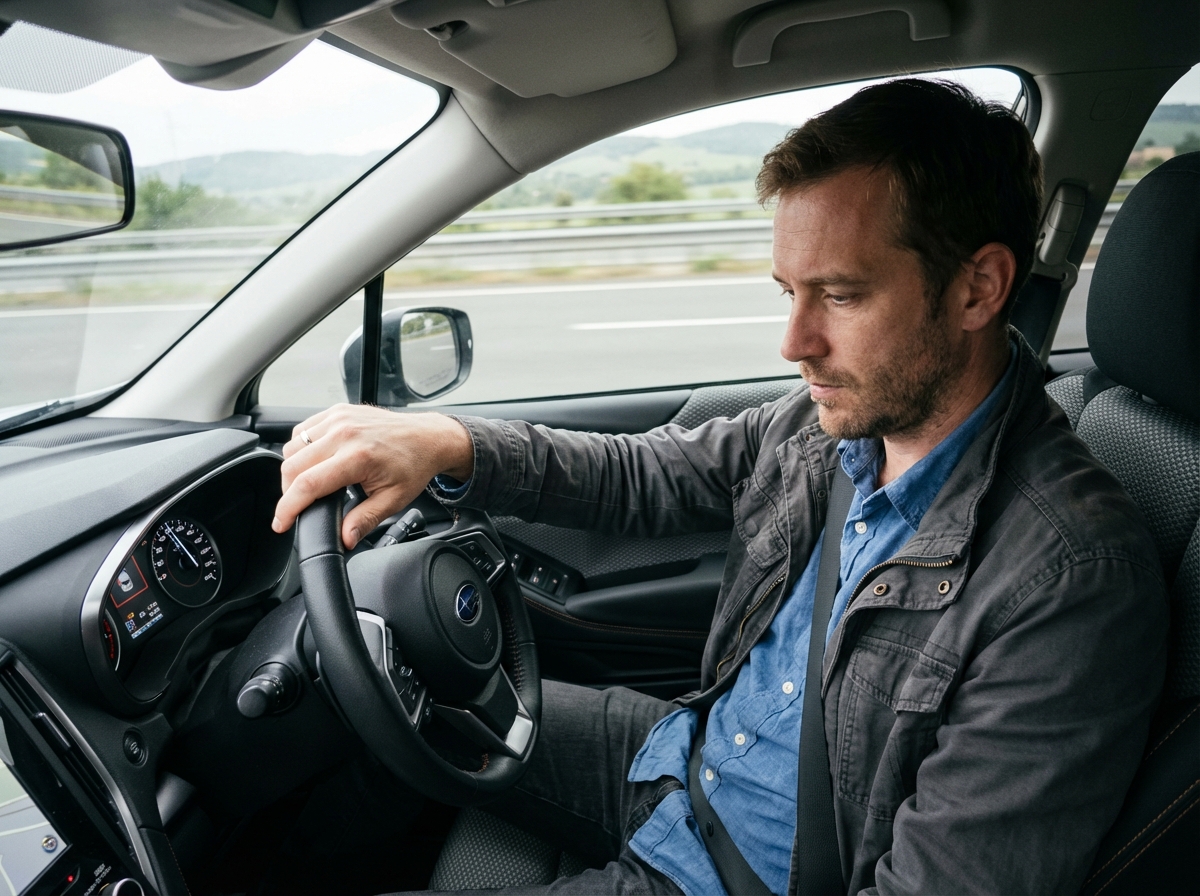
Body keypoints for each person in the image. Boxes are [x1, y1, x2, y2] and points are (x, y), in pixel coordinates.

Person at [271, 79, 1168, 895]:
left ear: (979, 288)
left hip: (729, 875)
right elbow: (645, 475)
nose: (795, 343)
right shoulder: (833, 429)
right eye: (788, 292)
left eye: (842, 297)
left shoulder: (1068, 580)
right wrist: (446, 439)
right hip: (681, 758)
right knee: (383, 685)